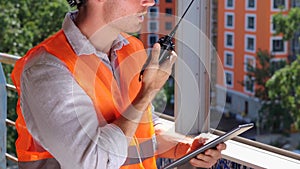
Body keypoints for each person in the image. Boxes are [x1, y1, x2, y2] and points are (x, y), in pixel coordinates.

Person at [11, 0, 226, 168]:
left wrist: (186, 146)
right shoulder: (48, 70)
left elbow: (143, 129)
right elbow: (95, 162)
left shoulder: (131, 48)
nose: (150, 2)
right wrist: (147, 92)